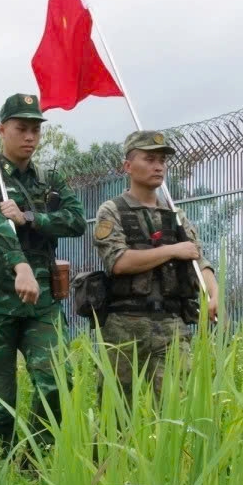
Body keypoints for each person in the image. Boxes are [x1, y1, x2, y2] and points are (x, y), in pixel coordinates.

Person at [0, 93, 86, 452]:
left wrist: (30, 218)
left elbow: (75, 220)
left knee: (58, 381)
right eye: (21, 129)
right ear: (2, 130)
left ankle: (38, 461)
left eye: (35, 130)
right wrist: (20, 266)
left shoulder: (50, 180)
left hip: (41, 302)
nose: (29, 137)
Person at [91, 130, 220, 404]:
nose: (158, 166)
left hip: (170, 325)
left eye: (162, 160)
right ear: (128, 166)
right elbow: (119, 262)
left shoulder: (174, 215)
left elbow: (198, 259)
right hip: (124, 325)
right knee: (114, 416)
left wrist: (212, 292)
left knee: (179, 410)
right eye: (149, 159)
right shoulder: (112, 210)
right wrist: (172, 250)